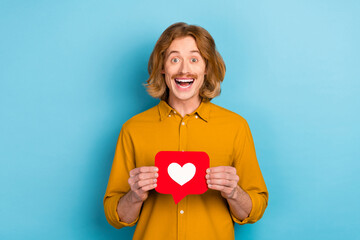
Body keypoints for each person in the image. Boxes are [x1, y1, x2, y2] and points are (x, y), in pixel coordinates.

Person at [103, 22, 268, 240]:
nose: (184, 70)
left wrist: (234, 193)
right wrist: (134, 196)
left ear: (206, 67)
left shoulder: (236, 127)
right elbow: (116, 216)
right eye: (174, 59)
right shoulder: (132, 129)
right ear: (163, 67)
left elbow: (253, 211)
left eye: (194, 59)